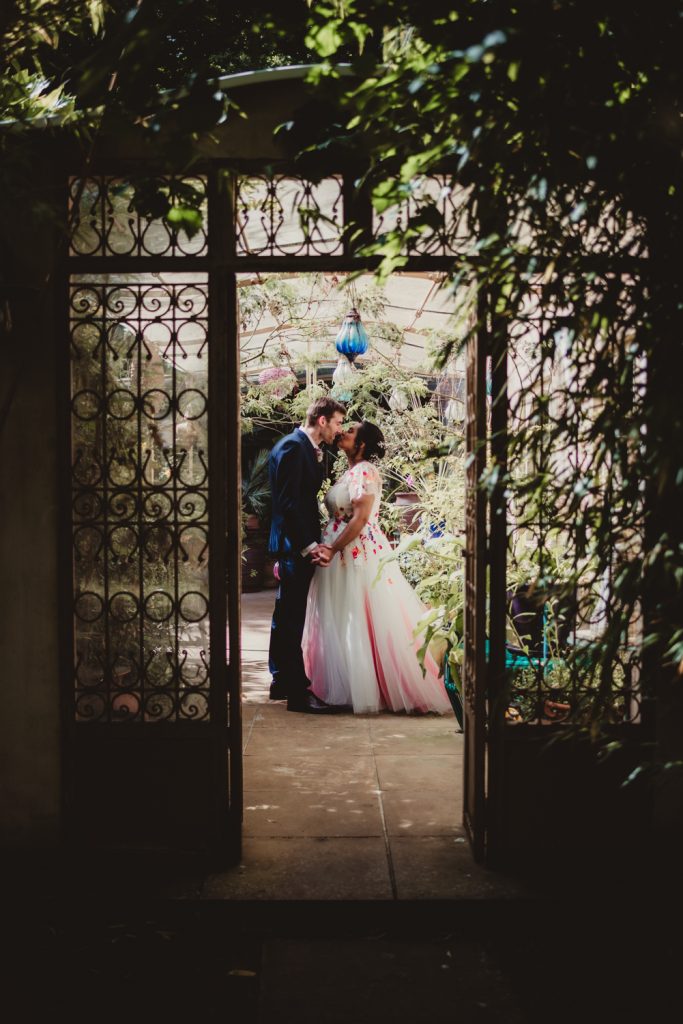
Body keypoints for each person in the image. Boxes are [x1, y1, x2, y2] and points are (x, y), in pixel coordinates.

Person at [302, 421, 453, 715]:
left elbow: (359, 518)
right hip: (338, 552)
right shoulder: (350, 471)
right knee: (344, 615)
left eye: (351, 431)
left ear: (361, 445)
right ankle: (346, 681)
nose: (343, 432)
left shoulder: (365, 471)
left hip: (355, 553)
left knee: (361, 614)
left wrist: (333, 548)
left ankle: (377, 686)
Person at [267, 396, 346, 713]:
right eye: (338, 422)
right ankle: (298, 694)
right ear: (323, 420)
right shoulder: (291, 447)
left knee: (286, 613)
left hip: (296, 542)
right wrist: (309, 546)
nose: (339, 430)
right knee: (292, 617)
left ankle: (281, 681)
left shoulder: (307, 449)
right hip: (294, 545)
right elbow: (288, 504)